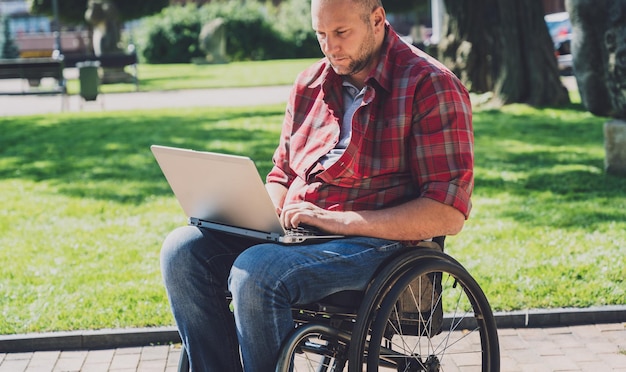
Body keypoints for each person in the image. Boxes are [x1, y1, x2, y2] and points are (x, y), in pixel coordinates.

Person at [160, 0, 473, 370]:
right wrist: (263, 213)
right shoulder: (310, 83)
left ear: (377, 20)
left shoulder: (430, 85)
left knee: (257, 271)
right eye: (320, 34)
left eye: (341, 33)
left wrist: (332, 220)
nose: (330, 47)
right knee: (182, 251)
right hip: (297, 236)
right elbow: (282, 173)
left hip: (375, 244)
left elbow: (446, 212)